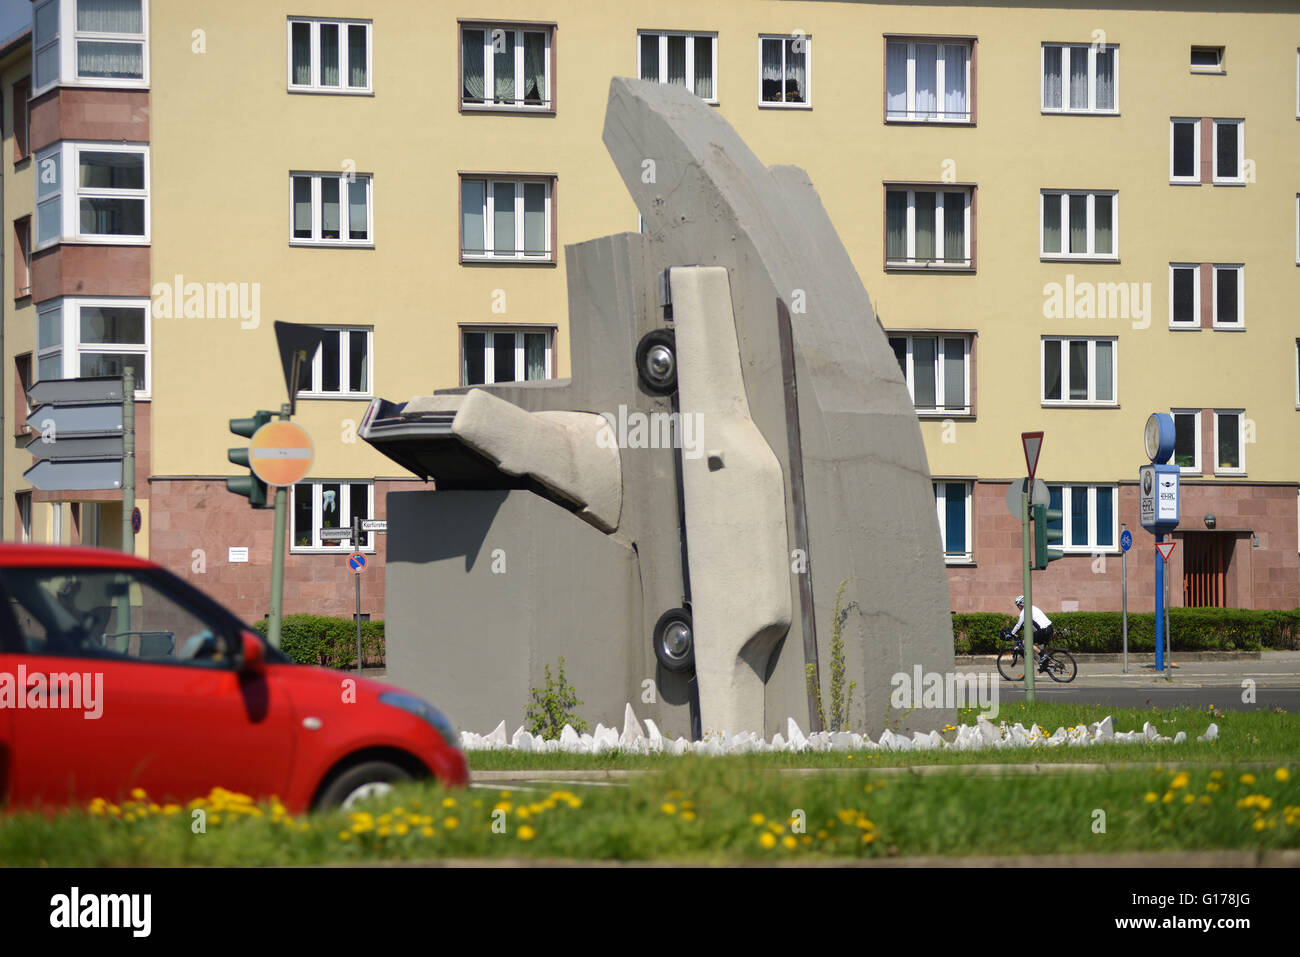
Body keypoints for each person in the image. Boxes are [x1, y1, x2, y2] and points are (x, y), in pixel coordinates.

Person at [1010, 595, 1054, 672]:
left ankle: (1043, 657)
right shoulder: (1033, 607)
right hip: (1049, 628)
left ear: (1021, 605)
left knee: (1025, 642)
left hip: (1043, 630)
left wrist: (1012, 633)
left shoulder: (1024, 611)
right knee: (1040, 647)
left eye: (1018, 606)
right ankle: (1045, 664)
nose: (1018, 608)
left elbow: (1019, 625)